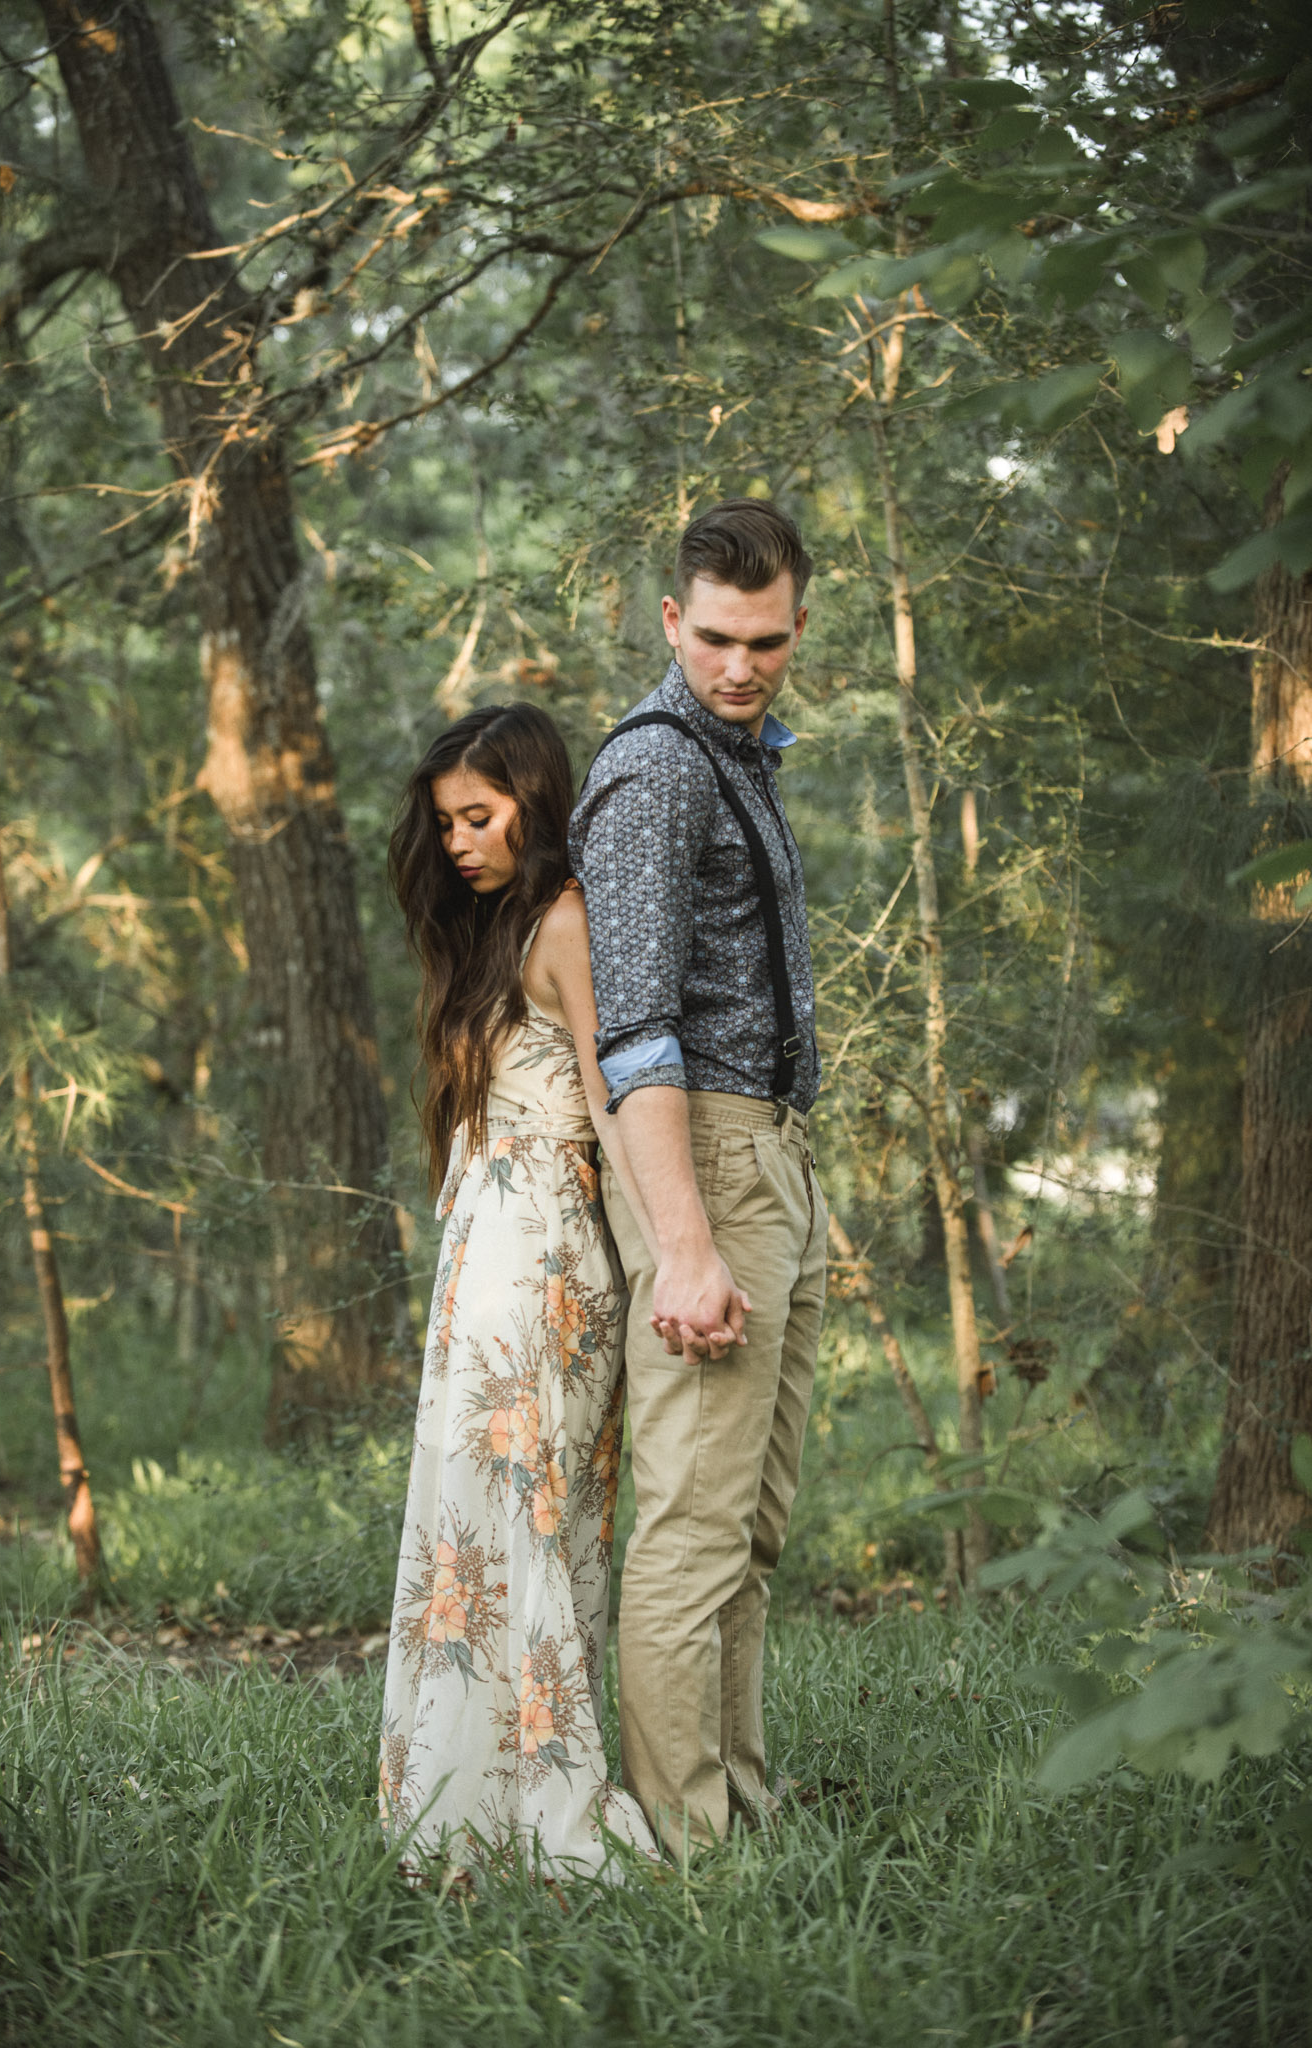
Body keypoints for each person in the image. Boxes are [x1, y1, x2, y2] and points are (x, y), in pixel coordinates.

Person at [568, 498, 826, 1860]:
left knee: (749, 1525)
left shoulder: (740, 754)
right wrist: (682, 1245)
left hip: (771, 1151)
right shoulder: (655, 771)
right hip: (702, 1159)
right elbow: (634, 1031)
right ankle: (688, 1854)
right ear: (671, 619)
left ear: (795, 627)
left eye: (765, 641)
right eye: (716, 638)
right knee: (686, 1526)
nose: (739, 666)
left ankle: (740, 1807)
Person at [379, 703, 656, 1881]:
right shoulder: (490, 931)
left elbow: (614, 1099)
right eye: (444, 822)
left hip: (543, 1258)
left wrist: (663, 1258)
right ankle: (465, 1801)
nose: (455, 841)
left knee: (532, 1519)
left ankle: (548, 1799)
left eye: (478, 816)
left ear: (535, 802)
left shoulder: (563, 921)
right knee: (473, 1523)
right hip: (480, 1253)